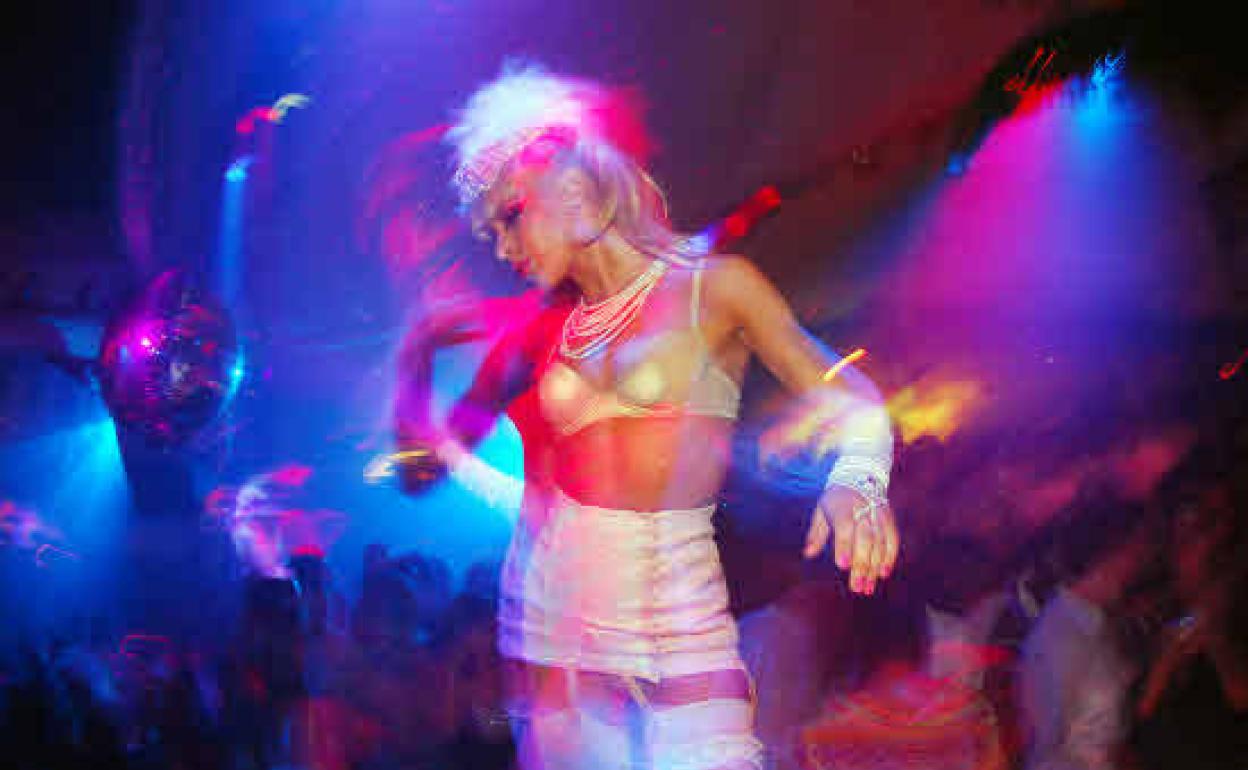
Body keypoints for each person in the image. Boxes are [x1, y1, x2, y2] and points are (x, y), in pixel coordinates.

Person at [395, 63, 898, 770]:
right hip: (559, 662)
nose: (504, 249)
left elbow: (855, 400)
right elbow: (424, 471)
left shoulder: (712, 290)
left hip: (684, 646)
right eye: (492, 235)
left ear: (572, 187)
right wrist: (414, 360)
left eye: (511, 217)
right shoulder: (537, 337)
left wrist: (858, 479)